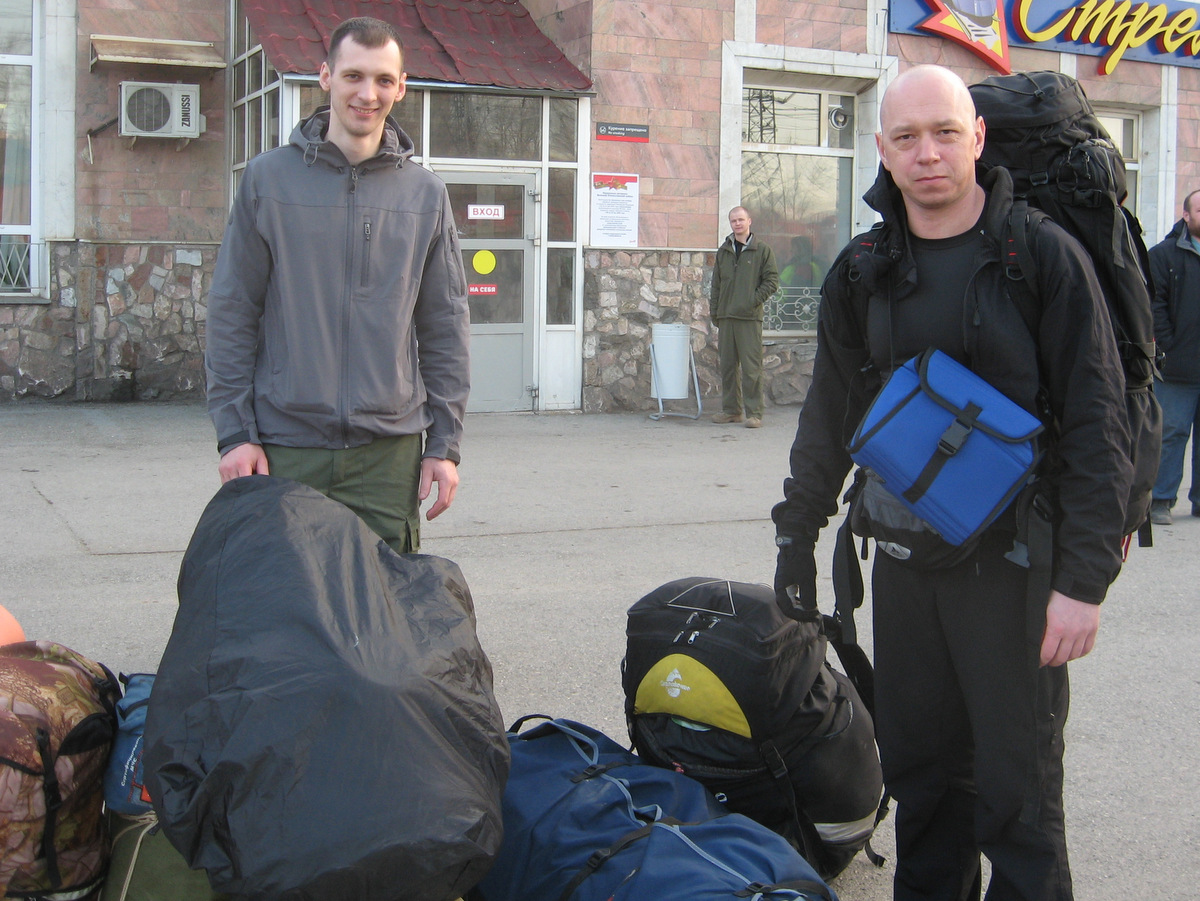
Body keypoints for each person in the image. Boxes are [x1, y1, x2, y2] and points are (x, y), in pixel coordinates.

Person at [771, 66, 1131, 901]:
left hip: (1016, 573)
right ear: (883, 150)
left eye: (943, 133)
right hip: (907, 565)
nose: (927, 153)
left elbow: (1097, 423)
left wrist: (1083, 582)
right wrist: (797, 533)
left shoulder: (1041, 256)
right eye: (907, 138)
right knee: (924, 782)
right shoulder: (864, 268)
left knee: (1019, 793)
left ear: (977, 137)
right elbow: (829, 413)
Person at [204, 16, 469, 554]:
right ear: (326, 76)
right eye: (353, 76)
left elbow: (444, 324)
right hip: (286, 449)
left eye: (383, 80)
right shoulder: (267, 181)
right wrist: (235, 434)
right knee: (283, 596)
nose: (367, 94)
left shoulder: (425, 195)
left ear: (401, 87)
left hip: (387, 457)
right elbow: (233, 311)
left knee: (385, 600)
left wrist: (444, 444)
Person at [1148, 189, 1200, 526]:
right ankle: (1160, 500)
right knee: (1171, 433)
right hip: (1177, 367)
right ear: (1186, 215)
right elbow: (1154, 306)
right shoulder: (1163, 255)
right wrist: (1169, 347)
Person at [709, 205, 780, 428]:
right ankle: (731, 411)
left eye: (741, 219)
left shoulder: (762, 250)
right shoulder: (724, 251)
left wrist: (751, 301)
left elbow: (772, 282)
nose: (737, 223)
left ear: (749, 221)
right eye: (733, 221)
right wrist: (715, 312)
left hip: (749, 318)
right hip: (726, 317)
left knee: (751, 368)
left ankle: (754, 413)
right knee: (728, 367)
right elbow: (716, 285)